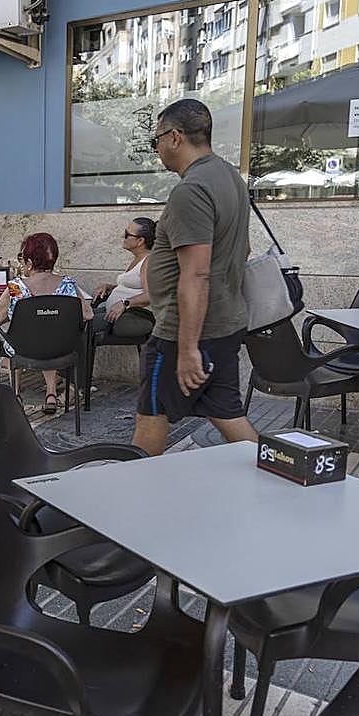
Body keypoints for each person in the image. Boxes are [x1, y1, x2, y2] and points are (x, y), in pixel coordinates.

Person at [134, 98, 258, 456]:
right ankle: (281, 478)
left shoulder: (192, 190)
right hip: (225, 323)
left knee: (151, 415)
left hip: (182, 333)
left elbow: (196, 274)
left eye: (156, 140)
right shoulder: (229, 176)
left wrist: (187, 349)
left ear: (175, 137)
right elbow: (244, 248)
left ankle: (137, 496)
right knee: (227, 413)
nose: (155, 148)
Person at [0, 233, 92, 414]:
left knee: (13, 332)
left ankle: (16, 394)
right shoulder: (67, 284)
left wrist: (14, 315)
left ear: (29, 262)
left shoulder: (15, 287)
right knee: (47, 333)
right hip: (61, 349)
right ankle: (51, 395)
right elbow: (88, 315)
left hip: (24, 349)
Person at [92, 217, 155, 340]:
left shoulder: (148, 261)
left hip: (127, 316)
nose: (123, 237)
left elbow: (151, 295)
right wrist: (110, 287)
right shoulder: (138, 258)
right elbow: (135, 286)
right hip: (113, 312)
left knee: (78, 324)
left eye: (127, 234)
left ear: (140, 241)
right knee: (76, 316)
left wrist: (125, 303)